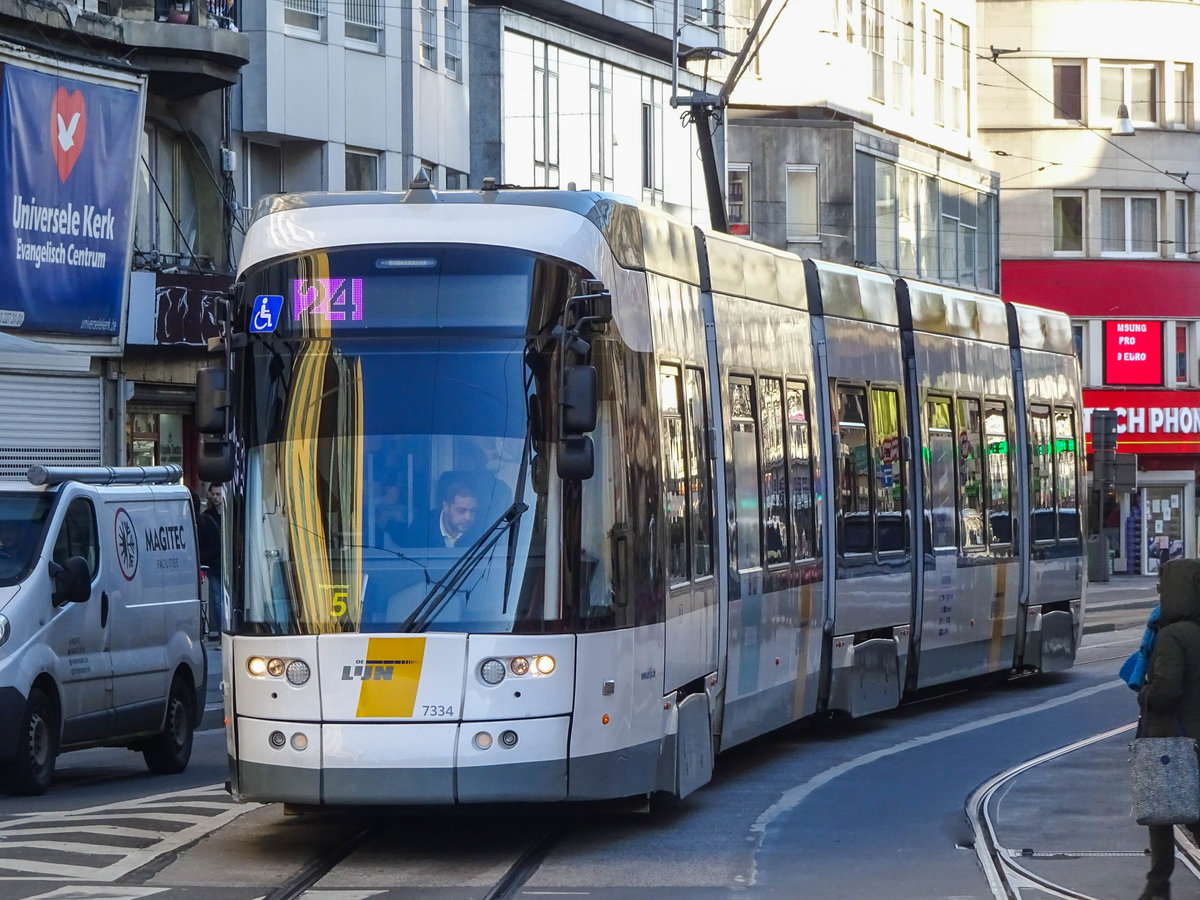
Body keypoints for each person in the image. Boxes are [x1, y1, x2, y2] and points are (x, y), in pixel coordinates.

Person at [1135, 557, 1200, 900]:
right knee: (1193, 810)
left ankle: (1158, 886)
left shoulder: (1172, 635)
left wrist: (1145, 692)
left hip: (1170, 741)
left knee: (1163, 813)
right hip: (1194, 736)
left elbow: (1165, 692)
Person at [393, 472, 481, 549]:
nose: (468, 517)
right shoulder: (421, 528)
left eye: (473, 511)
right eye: (461, 511)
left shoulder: (483, 532)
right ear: (446, 507)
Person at [200, 483, 224, 636]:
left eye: (218, 494)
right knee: (217, 600)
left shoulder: (233, 512)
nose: (215, 497)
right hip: (216, 565)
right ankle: (222, 633)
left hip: (229, 565)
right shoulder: (208, 516)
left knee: (220, 600)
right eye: (213, 494)